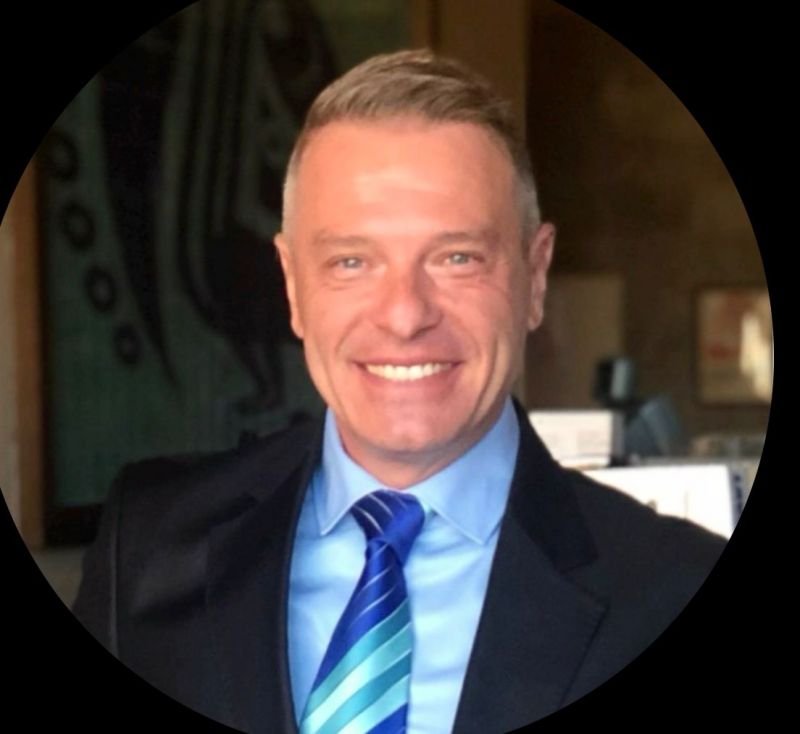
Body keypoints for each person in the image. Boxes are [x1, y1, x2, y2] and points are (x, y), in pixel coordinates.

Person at [73, 49, 725, 734]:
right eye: (352, 261)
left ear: (534, 278)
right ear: (293, 285)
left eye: (457, 258)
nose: (405, 316)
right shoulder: (145, 551)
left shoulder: (674, 588)